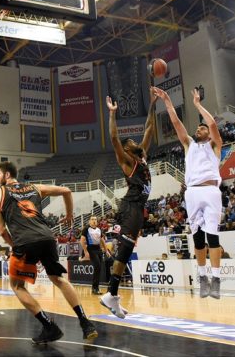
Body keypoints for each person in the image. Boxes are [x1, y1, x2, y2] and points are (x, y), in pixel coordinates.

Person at [0, 161, 97, 344]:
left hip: (24, 241)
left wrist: (15, 245)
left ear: (7, 175)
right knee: (58, 279)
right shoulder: (35, 187)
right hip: (47, 238)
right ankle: (85, 323)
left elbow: (1, 230)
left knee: (17, 286)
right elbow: (66, 191)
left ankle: (49, 327)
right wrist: (69, 215)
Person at [155, 87, 223, 299]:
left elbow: (212, 124)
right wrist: (167, 101)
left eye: (202, 128)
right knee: (198, 238)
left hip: (211, 190)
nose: (199, 129)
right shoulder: (189, 144)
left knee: (213, 236)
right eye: (198, 128)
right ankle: (202, 277)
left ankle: (216, 279)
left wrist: (197, 105)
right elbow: (176, 123)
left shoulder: (215, 145)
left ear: (208, 133)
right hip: (192, 192)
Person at [101, 89, 156, 318]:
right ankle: (111, 294)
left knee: (127, 248)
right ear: (126, 149)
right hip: (130, 206)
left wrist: (152, 102)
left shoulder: (141, 157)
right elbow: (114, 139)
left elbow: (149, 128)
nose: (135, 142)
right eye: (132, 141)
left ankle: (112, 294)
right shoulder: (127, 160)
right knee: (125, 248)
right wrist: (113, 114)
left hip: (137, 208)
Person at [80, 216, 109, 295]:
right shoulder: (86, 229)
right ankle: (95, 288)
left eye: (95, 219)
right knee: (97, 266)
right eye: (92, 219)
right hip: (91, 249)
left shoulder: (99, 229)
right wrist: (86, 251)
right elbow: (82, 241)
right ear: (89, 221)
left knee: (98, 269)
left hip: (98, 249)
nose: (94, 221)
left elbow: (102, 240)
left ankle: (96, 288)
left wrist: (106, 250)